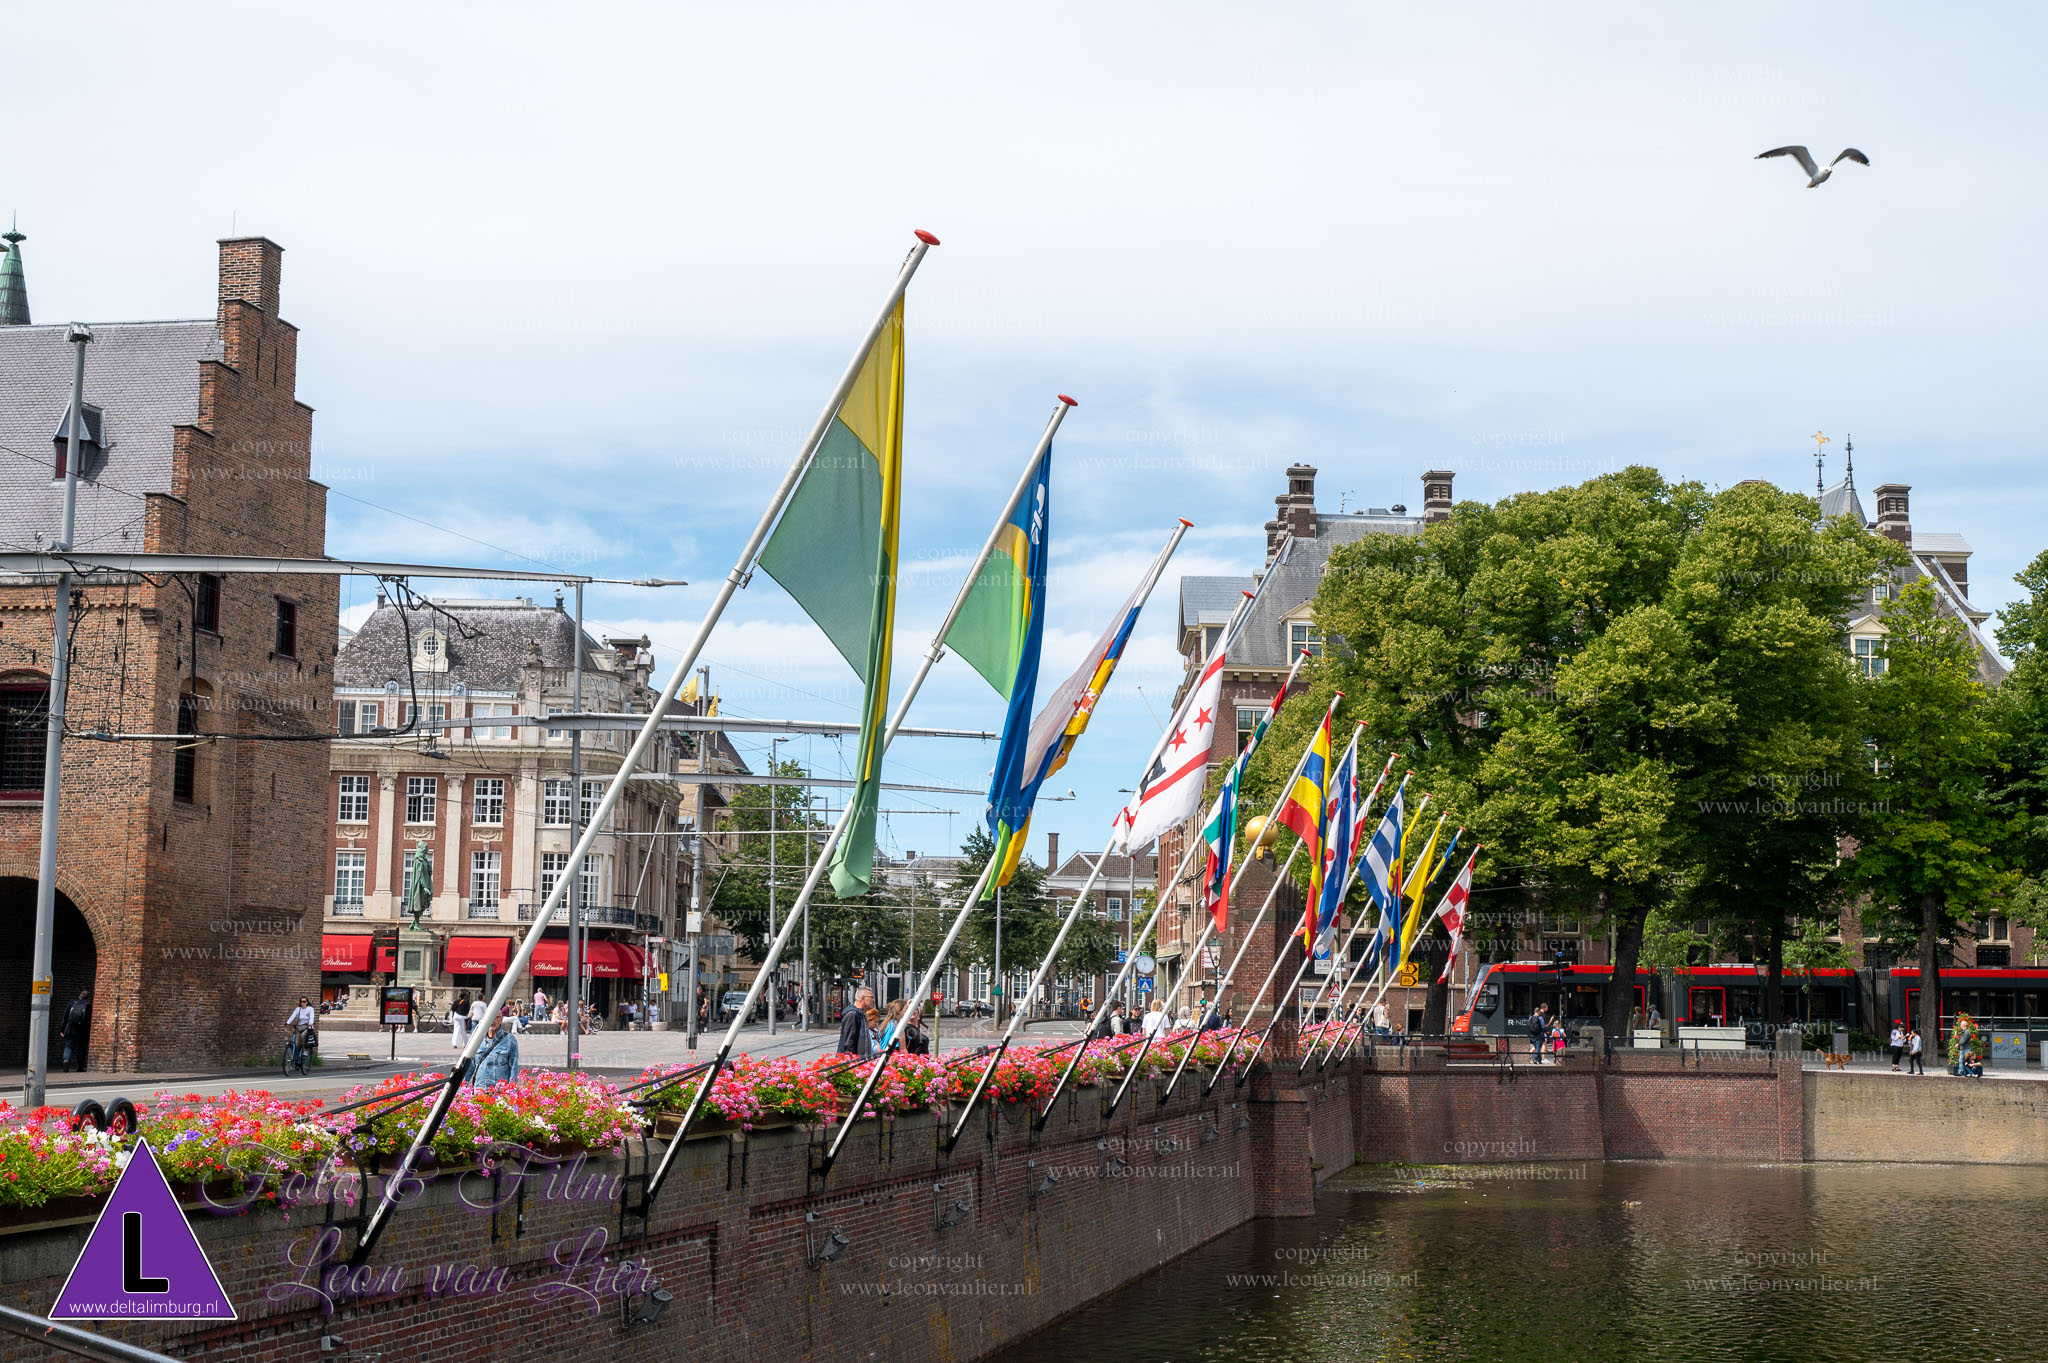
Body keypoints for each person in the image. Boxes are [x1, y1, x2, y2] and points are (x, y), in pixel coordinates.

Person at [470, 1012, 521, 1088]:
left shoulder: (510, 1040)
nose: (493, 1021)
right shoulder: (477, 1040)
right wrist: (461, 1091)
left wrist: (512, 1091)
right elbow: (469, 1067)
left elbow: (513, 1068)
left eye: (496, 1017)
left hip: (499, 1092)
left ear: (501, 1019)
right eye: (490, 1017)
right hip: (480, 1091)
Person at [59, 989, 92, 1073]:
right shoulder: (89, 1006)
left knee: (68, 1046)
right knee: (81, 1049)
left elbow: (65, 1017)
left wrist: (62, 1029)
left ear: (79, 996)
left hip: (70, 1029)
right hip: (83, 1031)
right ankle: (79, 1067)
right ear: (88, 998)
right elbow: (89, 1021)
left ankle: (66, 1060)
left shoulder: (71, 1004)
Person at [838, 987, 876, 1057]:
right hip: (854, 1061)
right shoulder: (852, 1014)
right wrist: (851, 1062)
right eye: (871, 997)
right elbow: (849, 1042)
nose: (873, 1000)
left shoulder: (860, 1013)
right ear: (862, 998)